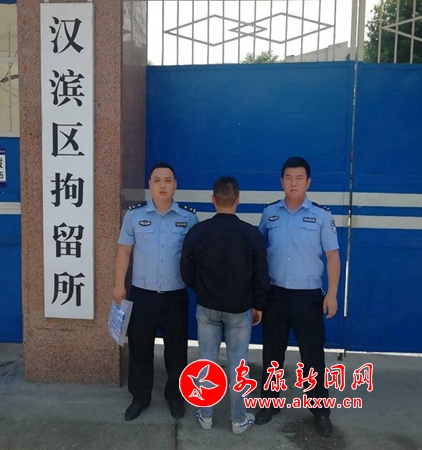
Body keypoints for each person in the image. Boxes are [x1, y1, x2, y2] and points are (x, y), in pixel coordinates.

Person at [255, 157, 340, 437]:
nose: (293, 183)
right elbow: (257, 252)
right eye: (288, 178)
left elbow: (332, 256)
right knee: (272, 353)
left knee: (312, 356)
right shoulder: (270, 213)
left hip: (308, 297)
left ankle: (320, 410)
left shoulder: (321, 216)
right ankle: (269, 403)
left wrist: (332, 294)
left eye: (299, 178)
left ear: (308, 182)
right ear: (281, 181)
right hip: (276, 295)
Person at [180, 176, 270, 434]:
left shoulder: (198, 231)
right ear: (238, 200)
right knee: (238, 365)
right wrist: (258, 304)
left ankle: (206, 415)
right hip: (240, 310)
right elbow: (261, 275)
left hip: (207, 307)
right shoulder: (251, 234)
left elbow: (185, 268)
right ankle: (238, 420)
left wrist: (200, 289)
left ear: (213, 200)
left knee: (206, 362)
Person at [113, 162, 198, 421]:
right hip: (143, 294)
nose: (163, 185)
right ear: (149, 184)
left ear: (175, 185)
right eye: (157, 180)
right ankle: (140, 397)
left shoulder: (189, 218)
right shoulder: (134, 216)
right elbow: (124, 251)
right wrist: (119, 284)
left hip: (175, 295)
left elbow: (196, 257)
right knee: (140, 349)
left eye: (168, 180)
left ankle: (175, 396)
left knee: (176, 350)